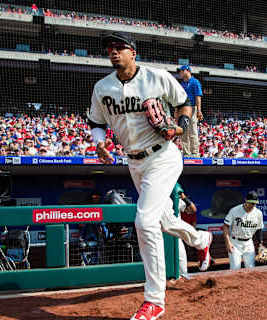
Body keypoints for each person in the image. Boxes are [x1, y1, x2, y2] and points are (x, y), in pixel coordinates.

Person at [89, 32, 213, 320]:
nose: (113, 52)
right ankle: (201, 240)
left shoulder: (157, 77)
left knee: (144, 221)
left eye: (119, 47)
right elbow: (96, 122)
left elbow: (184, 102)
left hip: (163, 156)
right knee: (163, 219)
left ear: (133, 52)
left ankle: (154, 300)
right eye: (110, 48)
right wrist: (99, 141)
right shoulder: (102, 87)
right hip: (134, 162)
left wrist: (180, 127)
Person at [223, 191, 264, 270]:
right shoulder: (234, 210)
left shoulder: (258, 213)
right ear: (246, 200)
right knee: (235, 268)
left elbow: (259, 229)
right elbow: (225, 226)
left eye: (255, 203)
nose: (253, 205)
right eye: (251, 203)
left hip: (249, 243)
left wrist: (260, 243)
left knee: (251, 268)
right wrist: (227, 242)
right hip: (235, 242)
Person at [178, 65, 202, 157]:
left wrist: (199, 110)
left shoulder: (195, 82)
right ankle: (186, 153)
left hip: (192, 108)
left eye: (181, 71)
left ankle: (195, 153)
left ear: (187, 70)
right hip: (183, 108)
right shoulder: (182, 84)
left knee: (192, 131)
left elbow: (198, 96)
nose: (180, 73)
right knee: (184, 132)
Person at [177, 190, 198, 276]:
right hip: (160, 232)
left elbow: (193, 209)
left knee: (181, 257)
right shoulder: (156, 198)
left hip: (174, 233)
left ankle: (183, 277)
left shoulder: (176, 200)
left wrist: (184, 198)